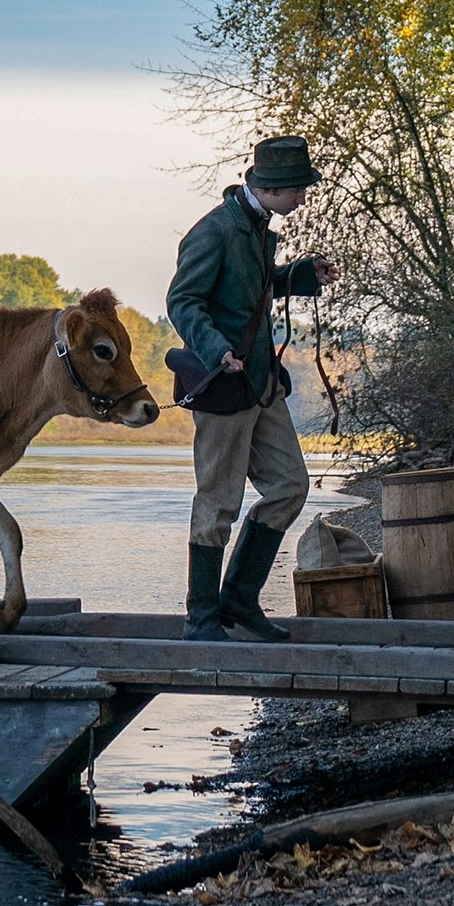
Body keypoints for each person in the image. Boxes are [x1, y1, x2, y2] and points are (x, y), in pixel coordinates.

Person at [165, 136, 339, 643]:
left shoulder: (256, 226)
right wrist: (216, 348)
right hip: (223, 384)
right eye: (299, 190)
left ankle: (238, 601)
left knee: (289, 488)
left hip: (263, 385)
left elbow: (252, 289)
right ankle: (201, 618)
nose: (304, 199)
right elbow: (183, 301)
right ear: (274, 188)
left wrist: (300, 275)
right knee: (218, 502)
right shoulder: (214, 231)